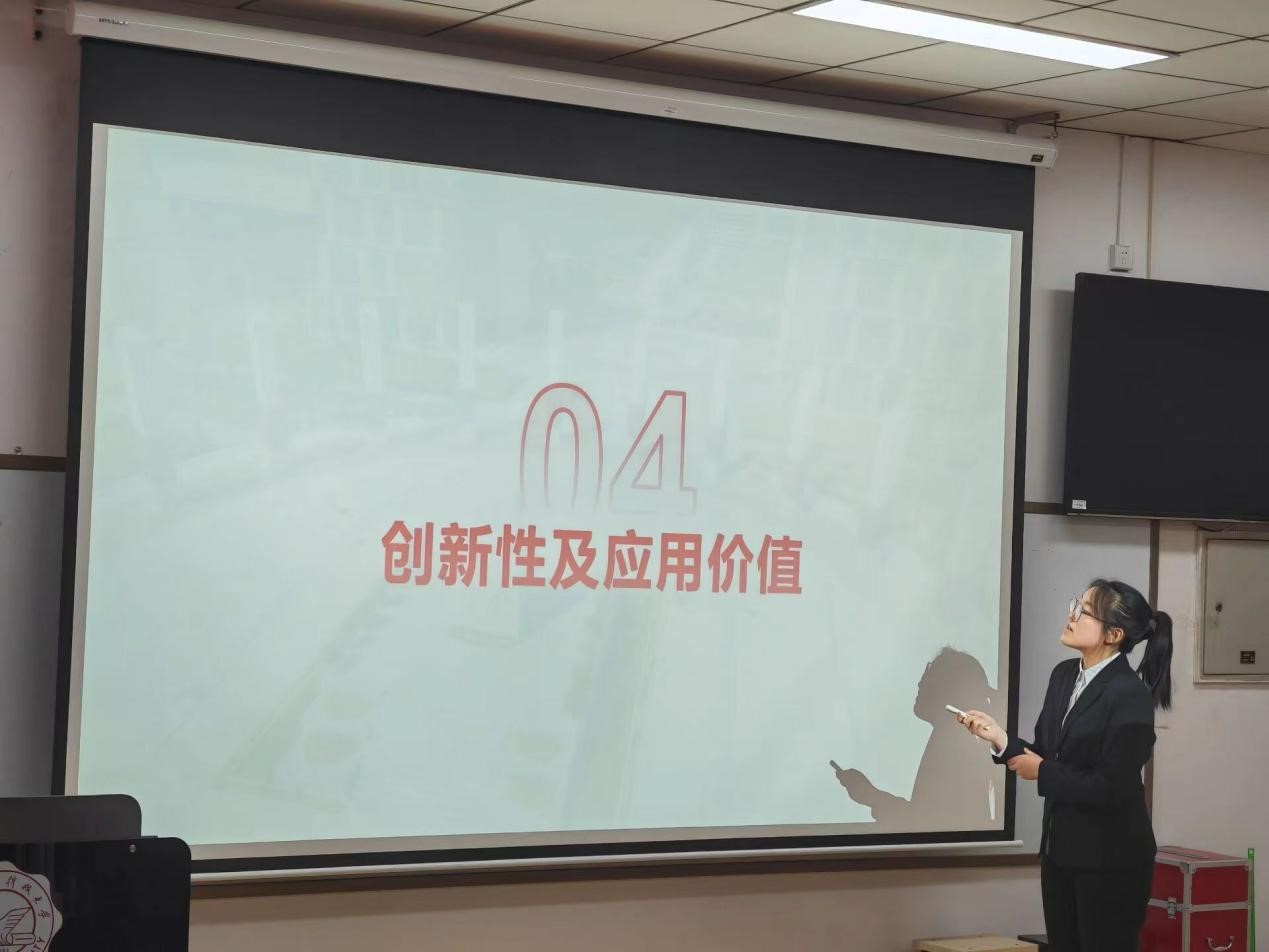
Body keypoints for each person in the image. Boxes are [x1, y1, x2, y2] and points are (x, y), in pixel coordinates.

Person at [957, 579, 1174, 952]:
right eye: (1076, 604)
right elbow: (1046, 753)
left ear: (1113, 635)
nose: (1071, 615)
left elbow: (1112, 787)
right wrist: (999, 738)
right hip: (1060, 852)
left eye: (1083, 611)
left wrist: (1042, 771)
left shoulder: (1130, 694)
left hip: (1111, 860)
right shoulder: (1063, 675)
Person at [835, 647, 1003, 830]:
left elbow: (926, 823)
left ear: (948, 689)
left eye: (930, 674)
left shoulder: (952, 745)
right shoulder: (956, 739)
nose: (920, 683)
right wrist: (870, 795)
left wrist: (870, 795)